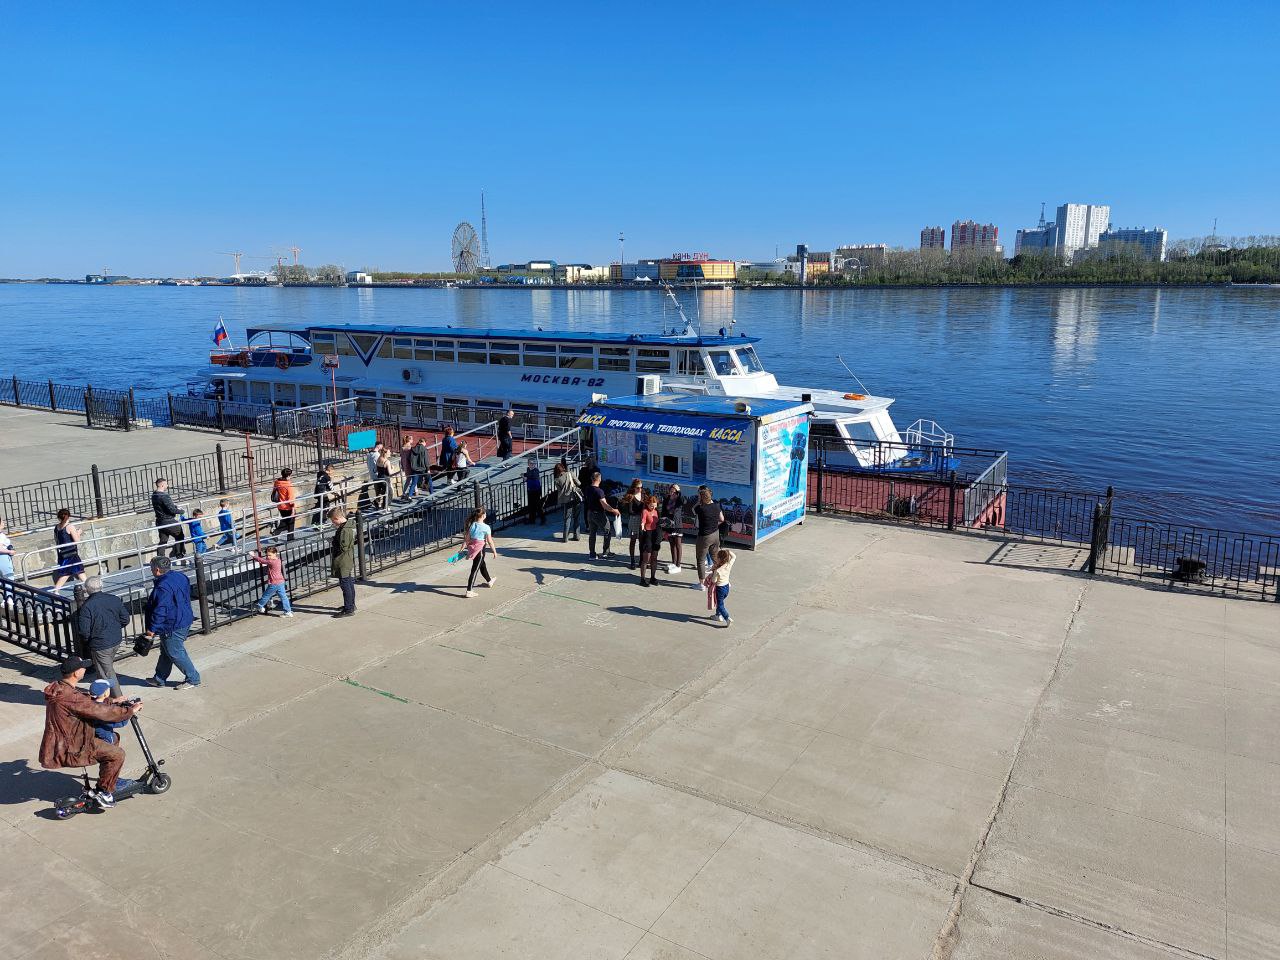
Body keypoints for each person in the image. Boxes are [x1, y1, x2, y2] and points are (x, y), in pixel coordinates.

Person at [40, 656, 142, 809]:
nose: (85, 669)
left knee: (112, 739)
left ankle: (109, 779)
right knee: (117, 754)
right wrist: (129, 710)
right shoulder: (70, 696)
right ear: (76, 673)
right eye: (82, 667)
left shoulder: (61, 688)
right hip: (73, 746)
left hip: (67, 740)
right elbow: (99, 711)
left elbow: (85, 703)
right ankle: (103, 792)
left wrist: (111, 701)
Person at [143, 556, 200, 689]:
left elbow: (161, 610)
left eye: (151, 568)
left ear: (157, 570)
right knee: (167, 651)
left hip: (172, 624)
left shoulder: (162, 586)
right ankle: (159, 678)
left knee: (175, 652)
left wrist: (152, 629)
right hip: (184, 618)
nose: (151, 570)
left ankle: (193, 679)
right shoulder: (180, 576)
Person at [76, 576, 131, 698]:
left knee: (107, 673)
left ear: (87, 590)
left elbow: (84, 631)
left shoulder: (87, 606)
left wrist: (89, 641)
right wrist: (114, 629)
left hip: (100, 645)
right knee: (106, 669)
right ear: (101, 586)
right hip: (115, 640)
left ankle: (118, 699)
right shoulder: (114, 599)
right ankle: (104, 694)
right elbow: (125, 619)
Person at [462, 507, 497, 598]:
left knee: (482, 565)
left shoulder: (473, 525)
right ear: (484, 516)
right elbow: (490, 541)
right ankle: (469, 591)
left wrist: (461, 549)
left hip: (473, 549)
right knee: (474, 570)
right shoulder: (486, 527)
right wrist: (494, 551)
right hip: (480, 550)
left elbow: (467, 539)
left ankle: (489, 581)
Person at [694, 486, 725, 585]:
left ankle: (702, 584)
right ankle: (721, 579)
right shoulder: (716, 506)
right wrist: (715, 524)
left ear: (701, 498)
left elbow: (693, 510)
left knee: (700, 559)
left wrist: (699, 501)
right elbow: (722, 519)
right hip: (715, 534)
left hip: (704, 536)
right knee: (715, 558)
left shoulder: (700, 508)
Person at [585, 470, 620, 560]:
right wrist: (614, 510)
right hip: (599, 514)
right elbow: (605, 505)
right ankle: (606, 552)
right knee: (607, 531)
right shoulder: (599, 491)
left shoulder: (588, 488)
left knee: (592, 534)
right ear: (599, 479)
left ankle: (592, 554)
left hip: (590, 513)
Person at [329, 507, 357, 617]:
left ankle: (349, 609)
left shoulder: (345, 530)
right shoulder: (349, 525)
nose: (333, 523)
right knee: (349, 582)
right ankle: (351, 605)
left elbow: (343, 547)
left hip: (343, 560)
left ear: (337, 518)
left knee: (345, 584)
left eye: (333, 521)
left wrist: (333, 542)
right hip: (347, 558)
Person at [252, 545, 293, 617]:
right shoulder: (278, 560)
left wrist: (253, 556)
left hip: (274, 583)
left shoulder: (272, 562)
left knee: (266, 595)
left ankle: (260, 606)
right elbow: (266, 560)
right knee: (284, 597)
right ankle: (288, 611)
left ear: (275, 553)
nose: (268, 557)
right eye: (267, 555)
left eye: (269, 555)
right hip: (280, 581)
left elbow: (262, 561)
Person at [52, 509, 87, 589]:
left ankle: (88, 587)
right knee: (71, 573)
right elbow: (77, 541)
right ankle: (56, 590)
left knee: (78, 571)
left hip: (62, 554)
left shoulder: (56, 527)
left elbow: (56, 540)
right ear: (68, 517)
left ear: (59, 518)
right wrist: (78, 533)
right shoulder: (70, 527)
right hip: (71, 553)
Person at [152, 478, 185, 559]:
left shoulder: (154, 494)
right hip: (168, 521)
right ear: (162, 485)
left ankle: (160, 558)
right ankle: (179, 555)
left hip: (160, 521)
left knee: (163, 540)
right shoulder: (165, 496)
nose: (167, 485)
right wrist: (181, 511)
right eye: (166, 484)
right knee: (179, 536)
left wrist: (174, 506)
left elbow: (164, 506)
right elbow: (172, 510)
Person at [89, 679, 130, 745]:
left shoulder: (92, 703)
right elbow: (118, 722)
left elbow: (101, 703)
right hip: (104, 736)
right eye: (109, 688)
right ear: (105, 693)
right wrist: (131, 711)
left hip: (97, 731)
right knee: (112, 742)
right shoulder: (102, 712)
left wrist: (114, 700)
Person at [706, 547, 736, 625]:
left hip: (719, 589)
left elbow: (714, 581)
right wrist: (727, 551)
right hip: (727, 587)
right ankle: (718, 615)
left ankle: (727, 618)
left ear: (719, 559)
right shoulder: (728, 564)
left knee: (720, 605)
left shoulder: (717, 570)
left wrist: (712, 574)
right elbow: (734, 556)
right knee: (720, 602)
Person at [553, 463, 582, 542]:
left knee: (567, 518)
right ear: (563, 468)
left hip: (566, 500)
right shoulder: (570, 473)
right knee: (576, 517)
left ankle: (565, 538)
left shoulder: (556, 479)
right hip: (575, 498)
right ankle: (577, 536)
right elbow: (579, 483)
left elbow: (559, 491)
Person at [620, 479, 645, 569]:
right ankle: (632, 561)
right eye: (638, 488)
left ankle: (641, 560)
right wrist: (640, 512)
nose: (640, 489)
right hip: (634, 519)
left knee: (642, 541)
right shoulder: (631, 496)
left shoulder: (643, 495)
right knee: (633, 540)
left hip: (642, 519)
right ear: (634, 488)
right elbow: (630, 511)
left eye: (641, 487)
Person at [638, 494, 661, 586]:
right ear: (647, 504)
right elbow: (643, 520)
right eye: (652, 505)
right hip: (647, 535)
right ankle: (642, 579)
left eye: (655, 505)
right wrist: (642, 525)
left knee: (654, 558)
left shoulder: (656, 511)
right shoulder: (645, 511)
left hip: (656, 535)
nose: (653, 507)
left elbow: (659, 522)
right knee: (646, 559)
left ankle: (652, 577)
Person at [661, 485, 684, 571]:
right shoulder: (666, 499)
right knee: (672, 544)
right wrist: (663, 526)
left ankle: (678, 565)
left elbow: (684, 501)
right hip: (669, 524)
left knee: (678, 544)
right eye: (671, 491)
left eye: (674, 491)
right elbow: (663, 512)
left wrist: (679, 492)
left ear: (677, 492)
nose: (672, 493)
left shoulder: (679, 499)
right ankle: (673, 563)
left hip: (677, 525)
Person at [272, 468, 297, 539]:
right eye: (290, 475)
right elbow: (291, 498)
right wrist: (293, 509)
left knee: (285, 521)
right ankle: (289, 537)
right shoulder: (288, 485)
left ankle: (277, 533)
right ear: (288, 476)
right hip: (288, 507)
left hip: (280, 506)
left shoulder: (277, 482)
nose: (290, 477)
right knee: (291, 523)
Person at [524, 457, 546, 525]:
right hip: (530, 489)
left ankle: (543, 519)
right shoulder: (528, 469)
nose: (532, 464)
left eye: (533, 463)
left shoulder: (536, 470)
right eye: (530, 463)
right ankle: (532, 520)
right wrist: (524, 475)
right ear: (528, 464)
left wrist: (525, 477)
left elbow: (532, 477)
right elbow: (528, 475)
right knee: (531, 505)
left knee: (537, 505)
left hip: (536, 490)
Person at [0, 515, 16, 580]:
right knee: (9, 579)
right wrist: (10, 551)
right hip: (3, 559)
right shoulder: (1, 536)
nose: (3, 522)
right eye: (2, 521)